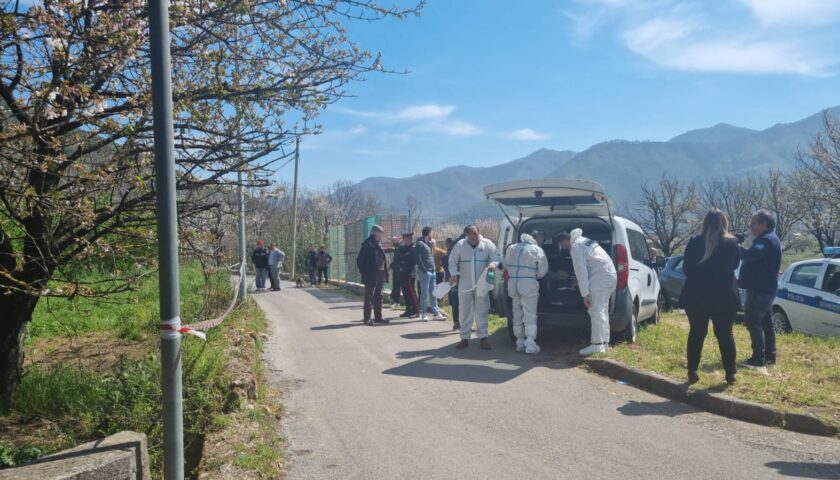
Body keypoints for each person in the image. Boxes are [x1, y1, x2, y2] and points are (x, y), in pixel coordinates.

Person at [680, 209, 740, 385]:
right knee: (725, 334)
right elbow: (736, 264)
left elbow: (686, 269)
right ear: (724, 223)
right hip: (724, 295)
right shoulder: (732, 243)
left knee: (697, 333)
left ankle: (692, 370)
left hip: (697, 294)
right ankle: (730, 373)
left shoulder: (695, 242)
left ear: (704, 223)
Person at [558, 229, 617, 356]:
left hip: (600, 278)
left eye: (563, 245)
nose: (564, 248)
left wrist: (585, 294)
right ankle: (604, 342)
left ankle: (596, 344)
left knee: (596, 310)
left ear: (564, 241)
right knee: (602, 310)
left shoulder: (576, 246)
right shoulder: (585, 241)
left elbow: (581, 271)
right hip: (609, 275)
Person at [738, 209, 783, 373]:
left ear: (763, 224)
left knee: (753, 321)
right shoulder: (769, 238)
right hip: (766, 288)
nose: (750, 226)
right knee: (766, 323)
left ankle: (758, 359)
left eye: (753, 223)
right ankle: (770, 356)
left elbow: (750, 256)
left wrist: (736, 246)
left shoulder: (766, 240)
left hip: (760, 289)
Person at [448, 225, 500, 350]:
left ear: (479, 233)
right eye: (471, 237)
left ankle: (483, 338)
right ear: (467, 235)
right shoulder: (460, 245)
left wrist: (493, 264)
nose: (474, 239)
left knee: (482, 310)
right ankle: (464, 338)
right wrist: (453, 274)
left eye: (476, 235)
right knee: (464, 311)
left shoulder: (487, 244)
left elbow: (496, 257)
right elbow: (452, 261)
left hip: (482, 283)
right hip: (465, 283)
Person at [504, 232, 549, 354]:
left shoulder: (512, 248)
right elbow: (543, 271)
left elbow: (505, 265)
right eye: (541, 239)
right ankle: (530, 344)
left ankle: (519, 342)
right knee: (530, 314)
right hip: (528, 285)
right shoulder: (537, 250)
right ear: (537, 238)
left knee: (517, 313)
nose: (541, 242)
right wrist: (534, 275)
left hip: (513, 285)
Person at [357, 225, 389, 325]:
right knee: (369, 296)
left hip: (381, 273)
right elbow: (360, 261)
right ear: (375, 232)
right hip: (371, 274)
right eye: (380, 232)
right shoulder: (367, 244)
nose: (382, 234)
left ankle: (378, 317)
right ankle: (366, 319)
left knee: (379, 296)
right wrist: (365, 272)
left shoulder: (379, 243)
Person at [415, 227, 447, 321]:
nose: (432, 235)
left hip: (432, 272)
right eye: (431, 233)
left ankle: (436, 313)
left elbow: (431, 257)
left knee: (433, 293)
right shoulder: (420, 244)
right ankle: (423, 313)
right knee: (424, 293)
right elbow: (418, 257)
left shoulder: (429, 244)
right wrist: (424, 269)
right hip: (425, 272)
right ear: (428, 233)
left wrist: (433, 269)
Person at [394, 233, 420, 318]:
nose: (404, 240)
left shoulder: (414, 248)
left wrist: (402, 261)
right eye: (404, 238)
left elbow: (411, 259)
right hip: (402, 273)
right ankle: (408, 310)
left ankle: (416, 310)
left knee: (411, 292)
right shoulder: (403, 248)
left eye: (406, 239)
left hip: (410, 273)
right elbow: (398, 257)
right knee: (405, 292)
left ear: (409, 239)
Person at [443, 237, 460, 330]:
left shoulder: (446, 256)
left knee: (455, 303)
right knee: (460, 303)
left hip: (451, 281)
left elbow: (445, 269)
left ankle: (456, 322)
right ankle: (460, 322)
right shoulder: (456, 256)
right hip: (457, 280)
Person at [388, 237, 402, 308]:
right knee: (395, 286)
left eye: (394, 240)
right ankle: (394, 300)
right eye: (392, 240)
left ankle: (396, 301)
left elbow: (398, 260)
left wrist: (391, 266)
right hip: (396, 270)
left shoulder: (400, 248)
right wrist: (391, 266)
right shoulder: (396, 248)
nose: (393, 242)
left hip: (400, 270)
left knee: (398, 286)